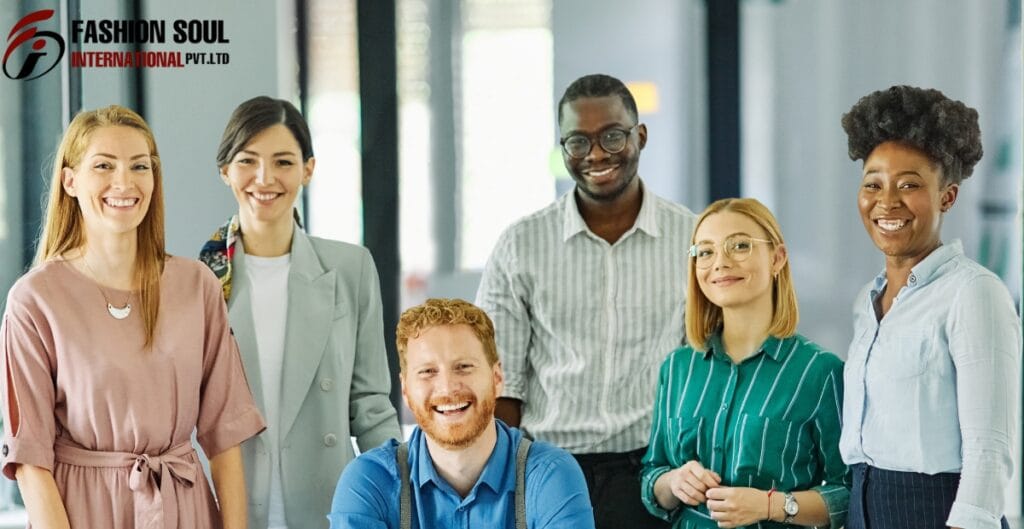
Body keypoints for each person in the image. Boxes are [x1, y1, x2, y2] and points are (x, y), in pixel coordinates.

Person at [1, 105, 266, 528]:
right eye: (103, 165)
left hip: (186, 508)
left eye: (139, 166)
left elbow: (225, 438)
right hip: (82, 511)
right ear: (70, 181)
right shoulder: (34, 300)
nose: (124, 182)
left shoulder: (197, 286)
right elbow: (31, 459)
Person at [475, 73, 695, 528]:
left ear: (641, 136)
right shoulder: (522, 244)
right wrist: (503, 488)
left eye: (612, 136)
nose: (595, 154)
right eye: (577, 141)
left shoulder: (692, 238)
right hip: (547, 468)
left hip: (652, 474)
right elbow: (501, 384)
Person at [199, 96, 401, 529]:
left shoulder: (350, 268)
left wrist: (401, 501)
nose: (264, 178)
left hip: (331, 502)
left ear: (308, 169)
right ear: (225, 171)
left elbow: (371, 405)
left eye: (284, 162)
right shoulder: (197, 281)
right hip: (227, 504)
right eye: (247, 161)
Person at [839, 85, 1021, 529]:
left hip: (934, 514)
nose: (887, 201)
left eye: (909, 185)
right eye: (873, 184)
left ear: (947, 196)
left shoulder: (974, 292)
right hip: (863, 509)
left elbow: (989, 449)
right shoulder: (868, 302)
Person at [640, 198, 850, 529]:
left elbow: (848, 494)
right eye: (705, 252)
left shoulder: (820, 372)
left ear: (777, 258)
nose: (720, 263)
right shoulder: (678, 368)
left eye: (739, 246)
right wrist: (672, 483)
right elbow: (653, 474)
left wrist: (773, 504)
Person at [327, 298, 594, 529]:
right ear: (406, 390)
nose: (447, 388)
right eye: (427, 372)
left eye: (464, 367)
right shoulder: (369, 481)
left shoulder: (550, 475)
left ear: (497, 378)